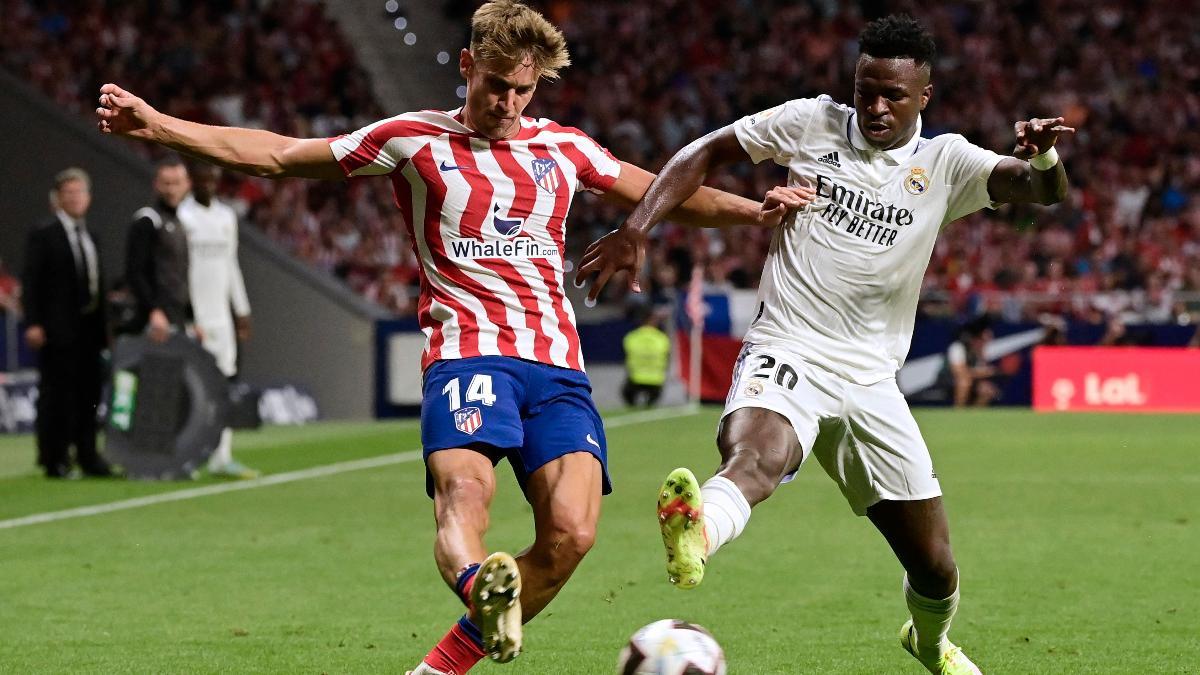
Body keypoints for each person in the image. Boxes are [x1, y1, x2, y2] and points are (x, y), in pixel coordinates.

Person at [95, 1, 802, 671]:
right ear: (466, 65)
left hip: (557, 365)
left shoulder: (566, 149)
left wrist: (757, 212)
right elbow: (277, 154)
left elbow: (672, 194)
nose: (508, 102)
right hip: (466, 350)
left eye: (523, 90)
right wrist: (162, 126)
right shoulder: (410, 139)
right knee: (464, 492)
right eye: (497, 85)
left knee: (572, 535)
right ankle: (478, 584)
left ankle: (444, 659)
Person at [580, 15, 1073, 675]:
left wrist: (1044, 156)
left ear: (923, 95)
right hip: (789, 345)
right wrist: (637, 226)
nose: (874, 105)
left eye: (892, 95)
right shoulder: (810, 121)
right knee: (757, 456)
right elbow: (703, 151)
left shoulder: (945, 161)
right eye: (865, 88)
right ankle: (699, 528)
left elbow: (1039, 190)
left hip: (872, 378)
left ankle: (928, 643)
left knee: (934, 565)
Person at [21, 168, 113, 478]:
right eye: (69, 193)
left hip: (89, 330)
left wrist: (105, 329)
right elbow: (31, 280)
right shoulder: (43, 232)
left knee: (89, 395)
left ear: (89, 198)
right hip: (57, 329)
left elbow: (97, 284)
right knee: (57, 396)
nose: (75, 198)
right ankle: (54, 458)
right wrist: (33, 322)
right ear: (58, 199)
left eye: (80, 192)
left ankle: (88, 455)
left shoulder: (92, 235)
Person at [178, 163, 257, 479]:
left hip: (221, 317)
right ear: (191, 181)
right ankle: (186, 454)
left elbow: (231, 265)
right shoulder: (182, 218)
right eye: (200, 178)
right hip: (193, 317)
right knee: (190, 385)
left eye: (211, 178)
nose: (206, 184)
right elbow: (180, 272)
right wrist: (186, 314)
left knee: (223, 384)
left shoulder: (226, 217)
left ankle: (221, 456)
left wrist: (241, 309)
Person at [125, 157, 192, 343]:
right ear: (156, 185)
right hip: (153, 322)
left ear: (187, 185)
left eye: (177, 183)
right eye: (166, 183)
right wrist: (153, 310)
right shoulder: (147, 220)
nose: (171, 189)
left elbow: (181, 276)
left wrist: (190, 318)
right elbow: (134, 272)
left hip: (176, 318)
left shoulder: (180, 223)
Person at [621, 307, 670, 408]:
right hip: (656, 381)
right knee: (651, 402)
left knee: (626, 394)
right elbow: (667, 359)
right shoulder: (662, 338)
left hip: (635, 379)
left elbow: (625, 357)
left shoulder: (631, 337)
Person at [946, 317, 998, 408]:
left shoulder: (980, 350)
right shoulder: (957, 347)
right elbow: (960, 372)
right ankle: (958, 412)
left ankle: (973, 417)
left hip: (972, 380)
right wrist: (983, 373)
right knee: (964, 382)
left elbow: (982, 370)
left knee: (987, 389)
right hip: (949, 381)